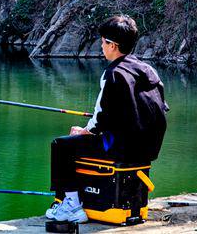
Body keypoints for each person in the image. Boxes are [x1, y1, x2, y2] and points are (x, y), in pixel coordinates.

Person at [46, 15, 169, 223]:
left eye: (103, 42)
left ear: (113, 45)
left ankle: (72, 206)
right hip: (148, 149)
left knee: (62, 146)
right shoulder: (148, 70)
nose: (101, 45)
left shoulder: (112, 73)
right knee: (80, 142)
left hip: (121, 148)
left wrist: (83, 131)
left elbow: (100, 118)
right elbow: (156, 109)